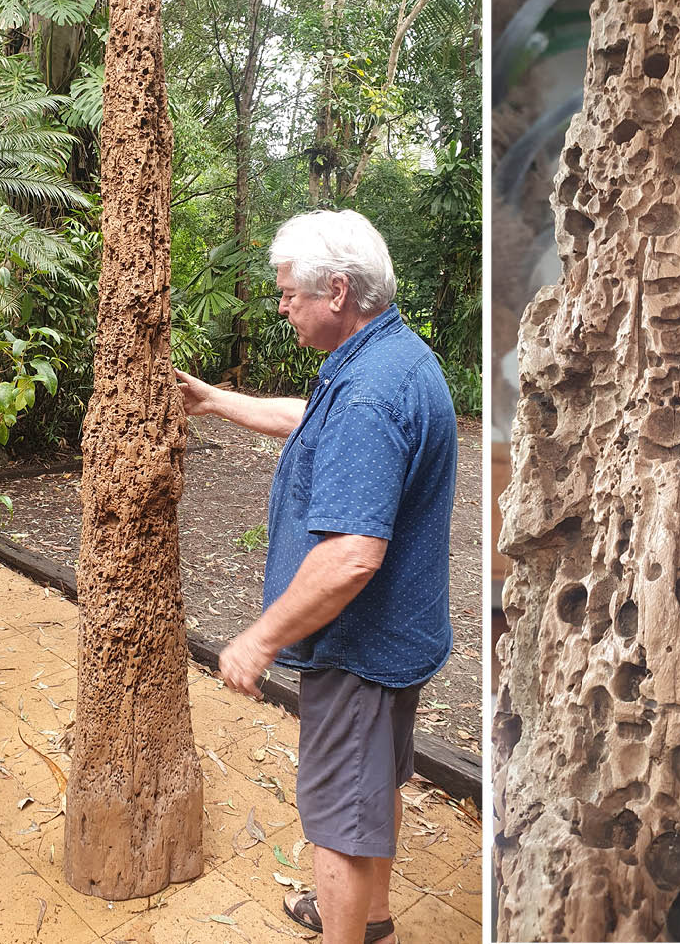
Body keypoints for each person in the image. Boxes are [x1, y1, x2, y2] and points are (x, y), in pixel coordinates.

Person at [175, 209, 457, 944]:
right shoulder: (390, 356)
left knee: (336, 816)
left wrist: (258, 640)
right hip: (401, 637)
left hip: (357, 648)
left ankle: (347, 930)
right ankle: (373, 917)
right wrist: (210, 398)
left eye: (288, 293)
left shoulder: (368, 394)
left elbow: (350, 555)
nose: (280, 305)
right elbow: (309, 417)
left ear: (335, 291)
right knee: (374, 788)